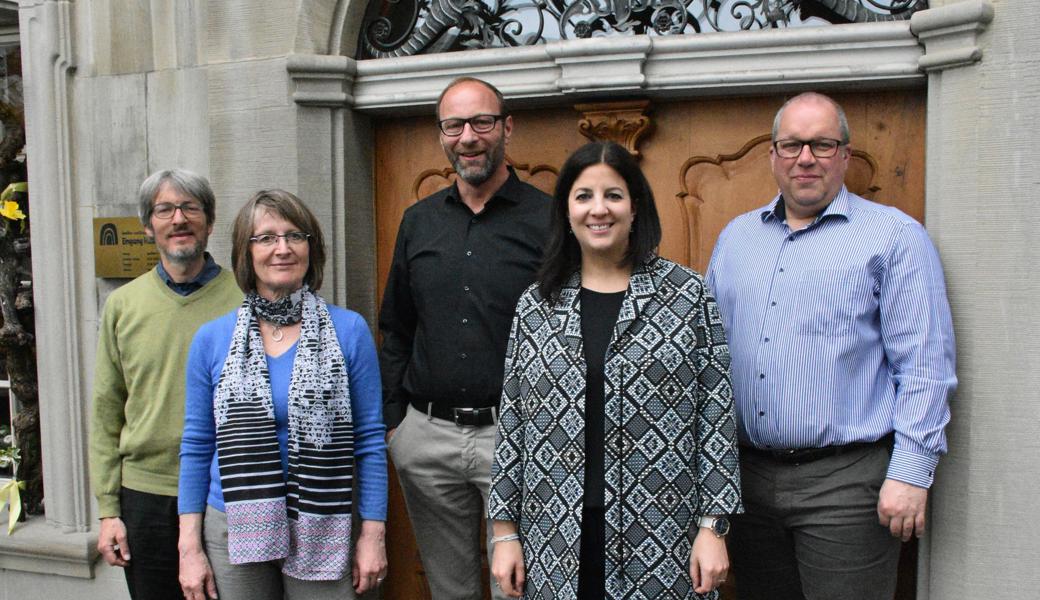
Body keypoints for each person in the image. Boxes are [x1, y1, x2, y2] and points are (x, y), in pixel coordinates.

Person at [706, 92, 957, 600]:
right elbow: (707, 356)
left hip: (846, 485)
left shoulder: (894, 237)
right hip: (747, 481)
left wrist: (911, 473)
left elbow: (925, 366)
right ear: (773, 155)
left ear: (845, 154)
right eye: (792, 144)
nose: (805, 158)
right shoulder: (736, 239)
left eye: (822, 144)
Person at [489, 141, 743, 600]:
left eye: (613, 195)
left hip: (662, 534)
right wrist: (504, 533)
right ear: (566, 211)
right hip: (555, 534)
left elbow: (716, 417)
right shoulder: (537, 304)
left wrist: (714, 527)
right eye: (583, 196)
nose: (598, 209)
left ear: (636, 207)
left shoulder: (687, 295)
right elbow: (513, 424)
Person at [379, 76, 552, 599]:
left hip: (519, 438)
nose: (468, 136)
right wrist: (395, 427)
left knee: (520, 588)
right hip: (426, 438)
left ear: (507, 128)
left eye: (482, 122)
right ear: (441, 135)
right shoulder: (418, 221)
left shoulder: (549, 220)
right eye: (453, 125)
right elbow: (396, 328)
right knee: (450, 589)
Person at [177, 190, 387, 600]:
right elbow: (196, 445)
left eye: (294, 235)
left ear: (311, 248)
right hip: (233, 525)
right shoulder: (212, 340)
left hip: (325, 523)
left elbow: (370, 441)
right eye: (266, 237)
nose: (282, 248)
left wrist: (373, 533)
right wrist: (189, 546)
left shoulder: (349, 331)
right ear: (245, 251)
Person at [89, 169, 243, 600]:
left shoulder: (245, 299)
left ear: (209, 222)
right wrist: (108, 511)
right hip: (146, 495)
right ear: (147, 226)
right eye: (165, 210)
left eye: (191, 208)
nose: (179, 219)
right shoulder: (123, 305)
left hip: (225, 490)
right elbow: (106, 409)